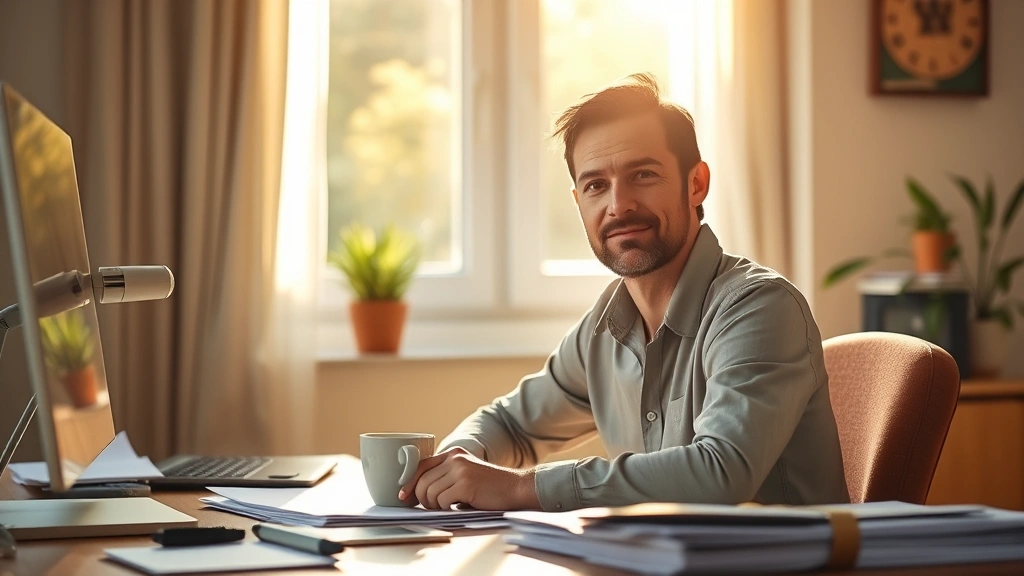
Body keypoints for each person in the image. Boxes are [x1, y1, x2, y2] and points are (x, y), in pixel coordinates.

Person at [398, 73, 849, 512]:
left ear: (696, 183)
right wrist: (458, 462)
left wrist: (520, 488)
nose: (619, 206)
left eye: (644, 175)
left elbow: (721, 471)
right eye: (596, 186)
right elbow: (510, 425)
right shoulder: (603, 329)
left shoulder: (760, 308)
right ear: (579, 202)